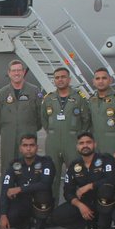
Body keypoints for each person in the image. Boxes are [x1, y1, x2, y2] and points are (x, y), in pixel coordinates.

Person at [50, 132, 115, 229]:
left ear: (95, 144)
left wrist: (90, 186)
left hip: (106, 202)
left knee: (106, 190)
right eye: (81, 143)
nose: (85, 145)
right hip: (86, 203)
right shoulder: (74, 165)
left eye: (88, 142)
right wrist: (80, 205)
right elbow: (67, 192)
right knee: (57, 216)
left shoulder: (106, 159)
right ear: (77, 147)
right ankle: (89, 226)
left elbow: (112, 180)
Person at [39, 67, 91, 202]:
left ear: (69, 79)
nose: (60, 80)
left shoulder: (79, 98)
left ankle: (77, 208)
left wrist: (77, 135)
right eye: (57, 78)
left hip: (73, 142)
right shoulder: (49, 99)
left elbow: (86, 120)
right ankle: (51, 208)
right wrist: (54, 132)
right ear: (54, 80)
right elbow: (44, 120)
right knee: (51, 177)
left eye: (63, 77)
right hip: (53, 142)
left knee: (77, 175)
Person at [0, 134, 55, 229]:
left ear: (37, 147)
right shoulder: (14, 165)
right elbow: (6, 189)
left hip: (41, 201)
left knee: (43, 194)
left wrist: (20, 189)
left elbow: (45, 184)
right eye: (25, 145)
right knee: (7, 215)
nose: (28, 149)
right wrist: (3, 215)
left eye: (31, 145)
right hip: (23, 201)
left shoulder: (46, 162)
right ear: (20, 148)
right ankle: (25, 225)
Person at [0, 59, 44, 167]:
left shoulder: (34, 91)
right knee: (8, 166)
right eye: (14, 70)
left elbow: (41, 114)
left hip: (28, 135)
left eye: (19, 70)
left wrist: (31, 127)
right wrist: (6, 128)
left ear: (24, 72)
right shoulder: (3, 93)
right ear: (9, 73)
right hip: (8, 136)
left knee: (28, 165)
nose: (16, 73)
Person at [86, 68, 115, 161]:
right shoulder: (92, 100)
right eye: (97, 78)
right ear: (93, 82)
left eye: (104, 78)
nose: (100, 81)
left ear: (110, 80)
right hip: (96, 146)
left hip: (112, 146)